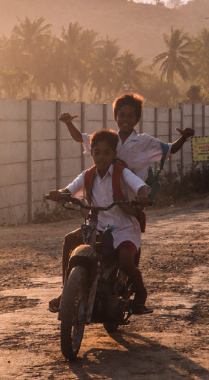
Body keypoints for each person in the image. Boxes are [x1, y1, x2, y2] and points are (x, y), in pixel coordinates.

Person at [48, 129, 152, 315]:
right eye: (97, 152)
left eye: (106, 152)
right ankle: (67, 290)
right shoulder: (88, 175)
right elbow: (69, 189)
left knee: (126, 262)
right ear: (91, 153)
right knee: (69, 240)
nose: (101, 157)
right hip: (97, 226)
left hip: (124, 228)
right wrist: (59, 194)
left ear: (114, 154)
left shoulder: (122, 172)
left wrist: (142, 195)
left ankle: (141, 293)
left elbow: (140, 185)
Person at [58, 93, 195, 182]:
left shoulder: (144, 141)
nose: (125, 119)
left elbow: (171, 149)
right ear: (115, 117)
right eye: (121, 115)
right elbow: (80, 138)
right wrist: (68, 123)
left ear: (137, 119)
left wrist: (183, 138)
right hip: (109, 197)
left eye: (130, 116)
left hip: (134, 200)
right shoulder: (108, 139)